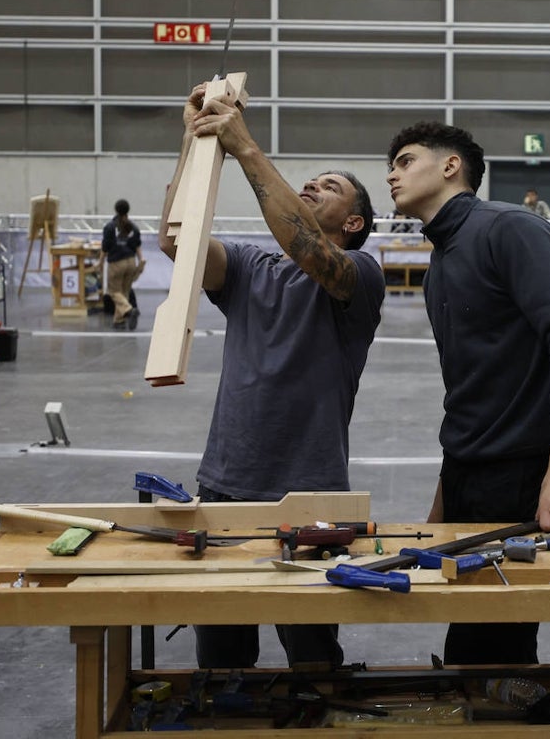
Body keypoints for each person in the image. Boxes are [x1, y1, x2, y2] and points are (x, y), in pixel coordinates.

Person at [159, 82, 385, 670]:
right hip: (227, 482)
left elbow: (313, 253)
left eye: (329, 187)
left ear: (355, 222)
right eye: (310, 181)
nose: (312, 185)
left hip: (309, 492)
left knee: (312, 657)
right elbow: (175, 242)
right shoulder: (250, 266)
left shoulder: (359, 274)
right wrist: (196, 141)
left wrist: (248, 150)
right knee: (223, 660)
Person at [385, 121, 550, 666]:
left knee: (492, 653)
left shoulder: (508, 229)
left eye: (406, 160)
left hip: (518, 476)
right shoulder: (440, 263)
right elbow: (469, 389)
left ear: (450, 165)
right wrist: (445, 495)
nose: (392, 173)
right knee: (467, 641)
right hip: (468, 474)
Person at [102, 199, 143, 330]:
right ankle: (119, 320)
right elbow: (137, 245)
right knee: (124, 291)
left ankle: (129, 309)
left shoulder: (110, 227)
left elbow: (106, 247)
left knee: (114, 291)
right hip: (131, 261)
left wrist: (99, 261)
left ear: (116, 210)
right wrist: (141, 260)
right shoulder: (133, 227)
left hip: (116, 262)